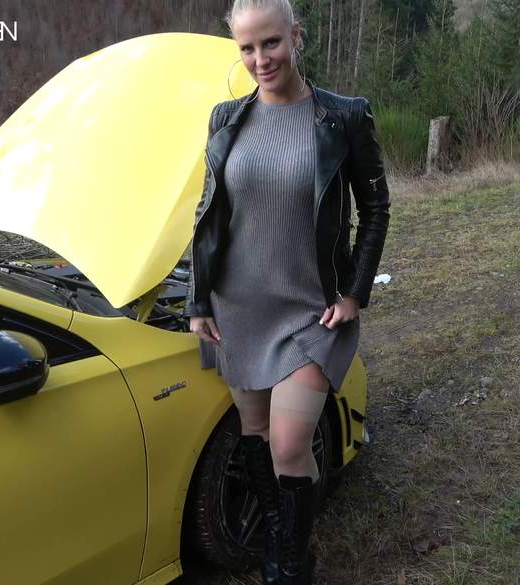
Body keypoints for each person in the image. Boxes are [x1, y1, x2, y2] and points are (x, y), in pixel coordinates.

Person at [184, 0, 390, 583]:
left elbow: (376, 208)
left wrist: (355, 293)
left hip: (311, 313)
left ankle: (292, 563)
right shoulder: (226, 119)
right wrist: (198, 300)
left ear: (296, 36)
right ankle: (279, 540)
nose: (260, 59)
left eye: (271, 42)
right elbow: (208, 212)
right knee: (254, 433)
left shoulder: (343, 117)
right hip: (238, 308)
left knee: (288, 443)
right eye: (247, 48)